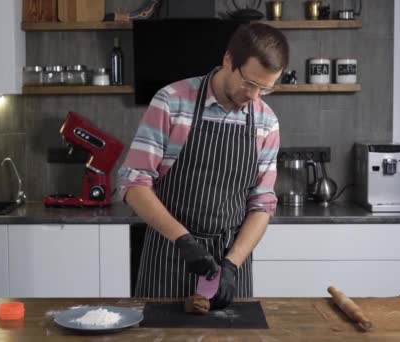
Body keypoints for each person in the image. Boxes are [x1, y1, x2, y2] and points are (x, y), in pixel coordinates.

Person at [118, 23, 288, 309]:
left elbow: (262, 203)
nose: (254, 96)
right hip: (169, 256)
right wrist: (183, 240)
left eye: (265, 89)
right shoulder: (171, 102)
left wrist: (232, 265)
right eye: (249, 83)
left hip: (229, 262)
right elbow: (134, 184)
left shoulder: (266, 122)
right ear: (228, 60)